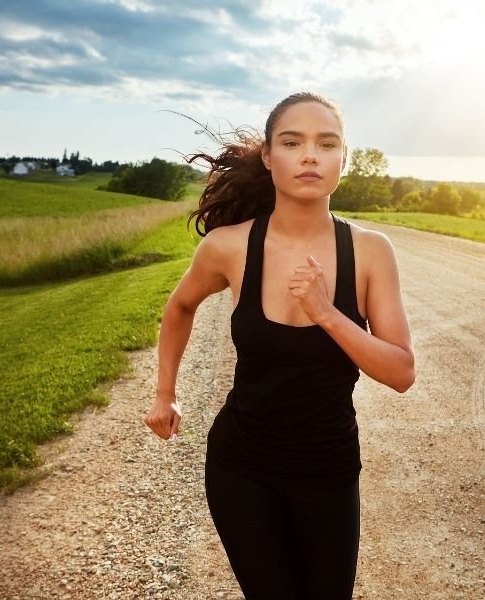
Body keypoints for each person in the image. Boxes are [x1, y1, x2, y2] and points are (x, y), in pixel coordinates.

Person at [144, 91, 414, 599]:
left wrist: (327, 314)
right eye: (292, 142)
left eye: (326, 143)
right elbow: (179, 307)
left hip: (328, 468)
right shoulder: (228, 246)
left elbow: (401, 372)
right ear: (269, 157)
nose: (310, 155)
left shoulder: (372, 252)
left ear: (343, 158)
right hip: (241, 465)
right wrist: (165, 393)